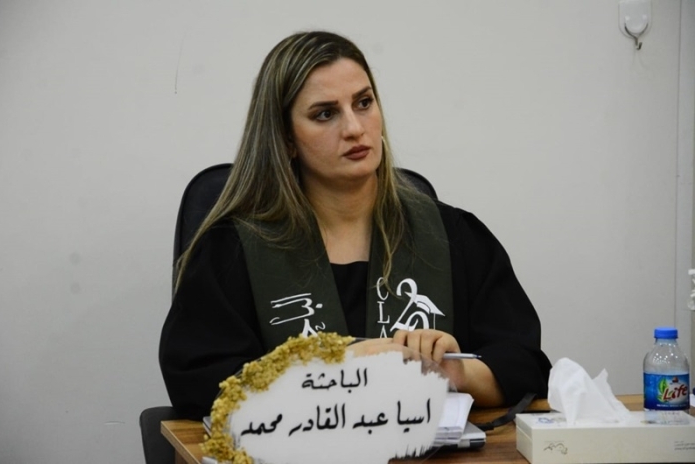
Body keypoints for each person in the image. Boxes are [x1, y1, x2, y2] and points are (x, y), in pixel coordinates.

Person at [159, 30, 551, 421]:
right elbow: (199, 384)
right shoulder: (232, 250)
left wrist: (457, 373)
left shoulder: (454, 236)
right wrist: (334, 370)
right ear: (286, 138)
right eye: (325, 114)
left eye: (363, 103)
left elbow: (523, 364)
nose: (354, 128)